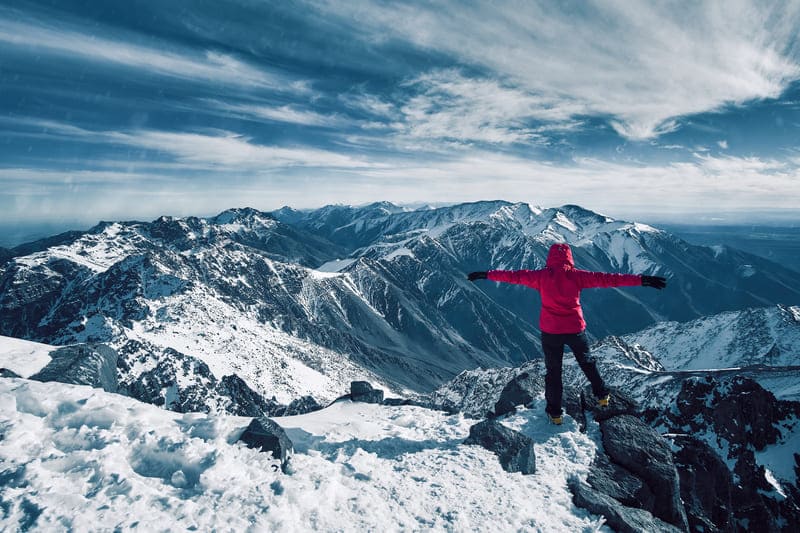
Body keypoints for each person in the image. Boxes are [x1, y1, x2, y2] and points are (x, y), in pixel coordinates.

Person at [467, 243, 666, 424]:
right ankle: (602, 395)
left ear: (550, 258)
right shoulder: (578, 276)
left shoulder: (540, 276)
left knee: (554, 373)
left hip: (551, 332)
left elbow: (513, 276)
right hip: (575, 330)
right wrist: (642, 280)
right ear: (569, 257)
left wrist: (486, 274)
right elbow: (610, 279)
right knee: (587, 363)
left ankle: (555, 414)